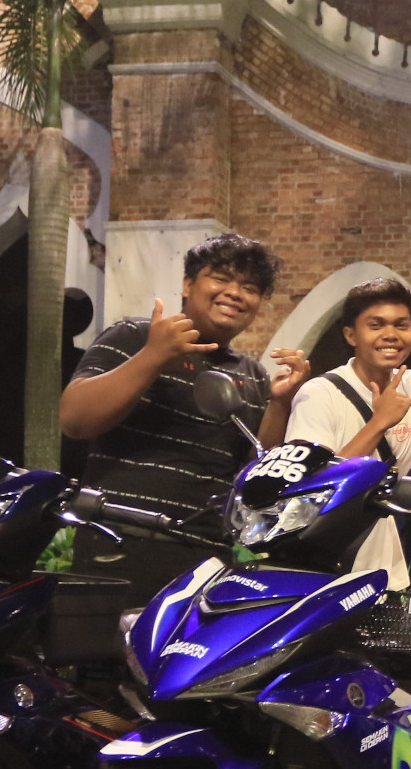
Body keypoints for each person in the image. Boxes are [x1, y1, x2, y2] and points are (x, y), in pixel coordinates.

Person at [60, 233, 306, 596]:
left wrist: (281, 404)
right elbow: (75, 419)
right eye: (221, 279)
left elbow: (253, 475)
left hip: (206, 560)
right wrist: (152, 357)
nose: (235, 293)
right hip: (117, 544)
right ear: (188, 284)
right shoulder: (134, 336)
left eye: (250, 287)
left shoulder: (252, 375)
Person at [283, 278, 411, 589]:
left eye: (401, 325)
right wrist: (379, 422)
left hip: (385, 578)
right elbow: (312, 488)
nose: (390, 335)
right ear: (351, 334)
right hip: (323, 578)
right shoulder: (318, 395)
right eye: (376, 325)